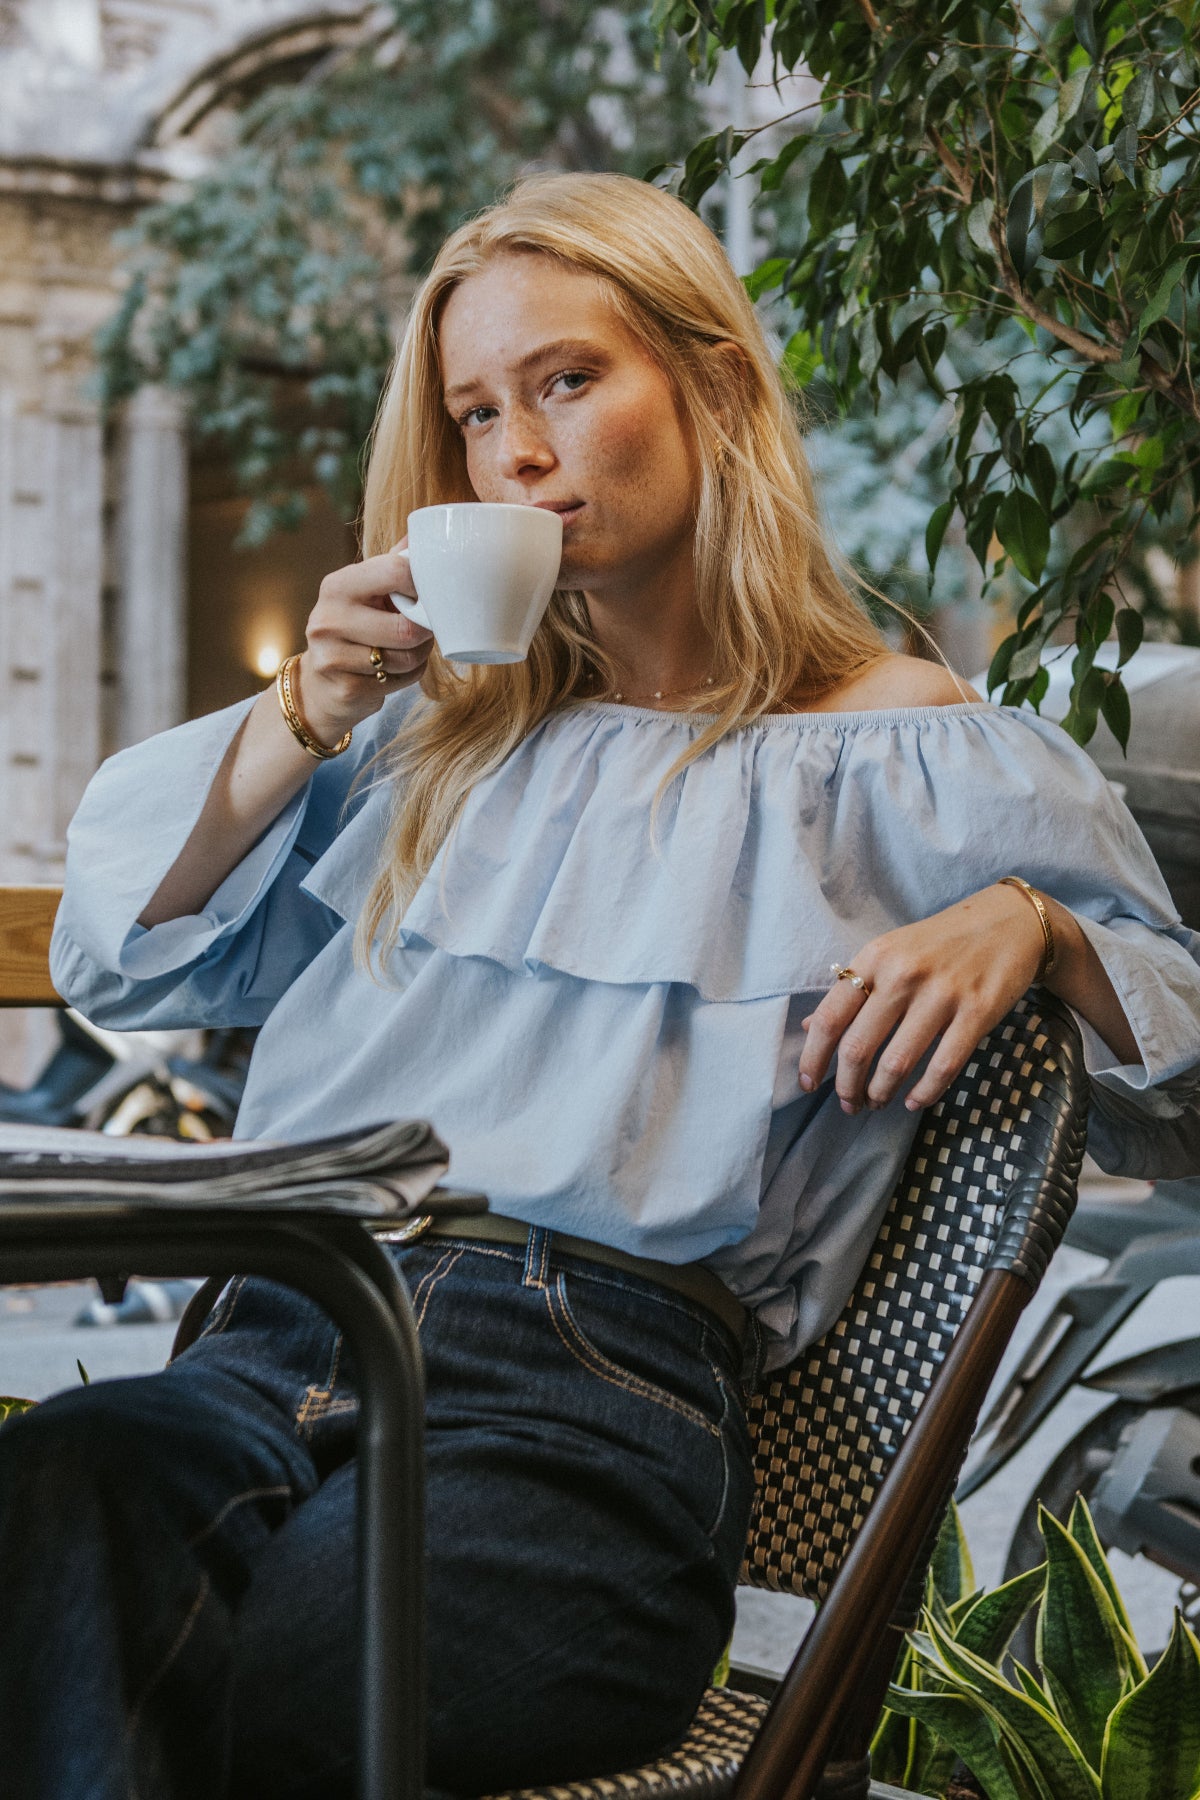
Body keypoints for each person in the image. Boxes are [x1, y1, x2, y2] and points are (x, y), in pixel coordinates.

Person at [3, 170, 1200, 1800]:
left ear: (709, 381)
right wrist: (303, 714)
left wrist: (1037, 929)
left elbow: (1178, 1062)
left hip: (583, 1397)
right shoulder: (426, 746)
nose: (520, 452)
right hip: (275, 1321)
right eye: (477, 412)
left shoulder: (903, 746)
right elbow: (121, 959)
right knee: (64, 1492)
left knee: (272, 1661)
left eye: (568, 380)